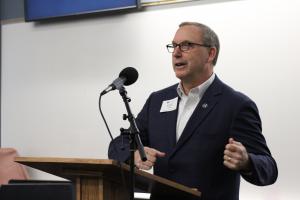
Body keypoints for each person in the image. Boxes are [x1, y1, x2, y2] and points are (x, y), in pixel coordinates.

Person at [108, 22, 278, 200]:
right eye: (173, 46)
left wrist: (247, 162)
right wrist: (132, 154)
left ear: (210, 54)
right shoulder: (157, 100)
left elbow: (269, 168)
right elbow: (119, 143)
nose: (176, 53)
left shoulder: (236, 105)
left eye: (186, 45)